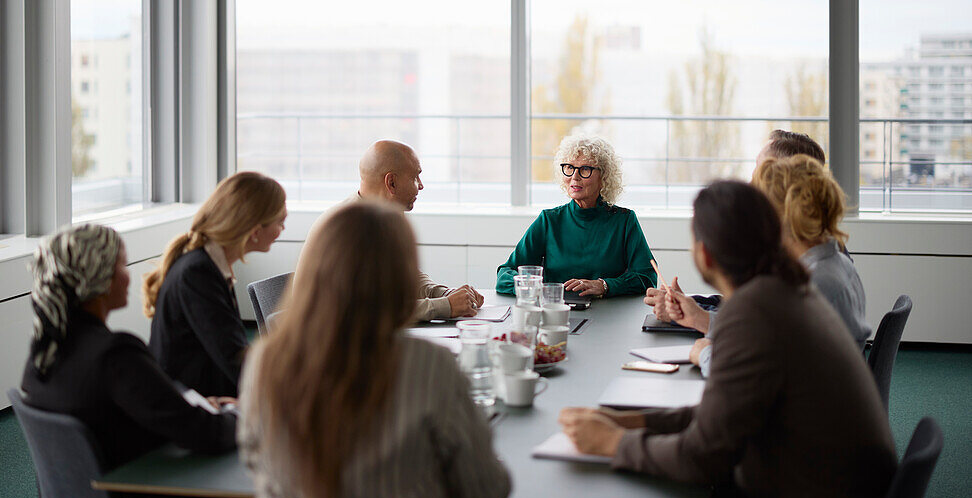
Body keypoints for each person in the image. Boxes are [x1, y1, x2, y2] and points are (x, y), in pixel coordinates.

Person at [558, 181, 896, 498]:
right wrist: (630, 421)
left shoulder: (753, 312)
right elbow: (720, 416)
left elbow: (702, 459)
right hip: (834, 486)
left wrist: (612, 442)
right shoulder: (788, 291)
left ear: (704, 254)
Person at [239, 200, 511, 498]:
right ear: (401, 272)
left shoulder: (262, 361)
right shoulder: (430, 366)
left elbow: (254, 461)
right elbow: (486, 490)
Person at [20, 224, 236, 476]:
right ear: (99, 277)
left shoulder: (42, 354)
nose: (128, 275)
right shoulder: (115, 354)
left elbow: (118, 415)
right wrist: (243, 416)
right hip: (143, 491)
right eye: (122, 265)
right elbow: (206, 435)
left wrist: (188, 408)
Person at [643, 129, 830, 357]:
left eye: (761, 172)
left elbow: (763, 353)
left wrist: (704, 347)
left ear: (785, 182)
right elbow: (755, 319)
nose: (751, 182)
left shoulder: (813, 280)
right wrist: (692, 309)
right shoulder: (805, 257)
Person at [296, 139, 482, 321]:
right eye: (415, 177)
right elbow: (368, 311)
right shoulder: (346, 228)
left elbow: (406, 274)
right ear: (391, 183)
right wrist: (444, 306)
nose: (421, 185)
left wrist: (447, 294)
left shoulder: (386, 216)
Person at [144, 172, 287, 398]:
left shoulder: (207, 266)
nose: (283, 230)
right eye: (280, 222)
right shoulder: (197, 272)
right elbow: (235, 359)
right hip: (191, 412)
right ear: (255, 230)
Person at [495, 134, 654, 297]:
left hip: (610, 314)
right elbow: (505, 274)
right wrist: (537, 289)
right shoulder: (549, 220)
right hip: (555, 311)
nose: (574, 177)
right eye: (569, 167)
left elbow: (647, 277)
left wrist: (605, 286)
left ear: (603, 177)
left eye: (585, 169)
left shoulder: (624, 220)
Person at [752, 153, 870, 346]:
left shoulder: (813, 285)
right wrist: (702, 319)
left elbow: (761, 360)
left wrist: (706, 355)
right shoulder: (838, 264)